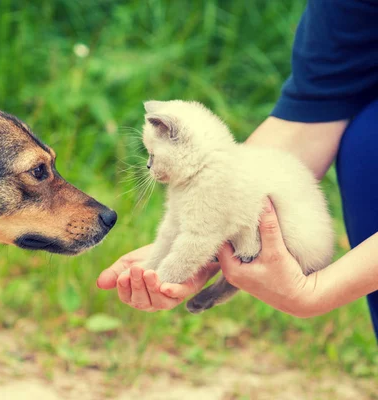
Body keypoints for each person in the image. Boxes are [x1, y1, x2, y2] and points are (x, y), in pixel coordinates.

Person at [97, 0, 378, 337]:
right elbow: (315, 109)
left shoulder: (212, 176)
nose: (149, 166)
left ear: (183, 141)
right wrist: (161, 261)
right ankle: (231, 278)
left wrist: (320, 291)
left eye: (154, 156)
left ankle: (230, 281)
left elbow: (201, 234)